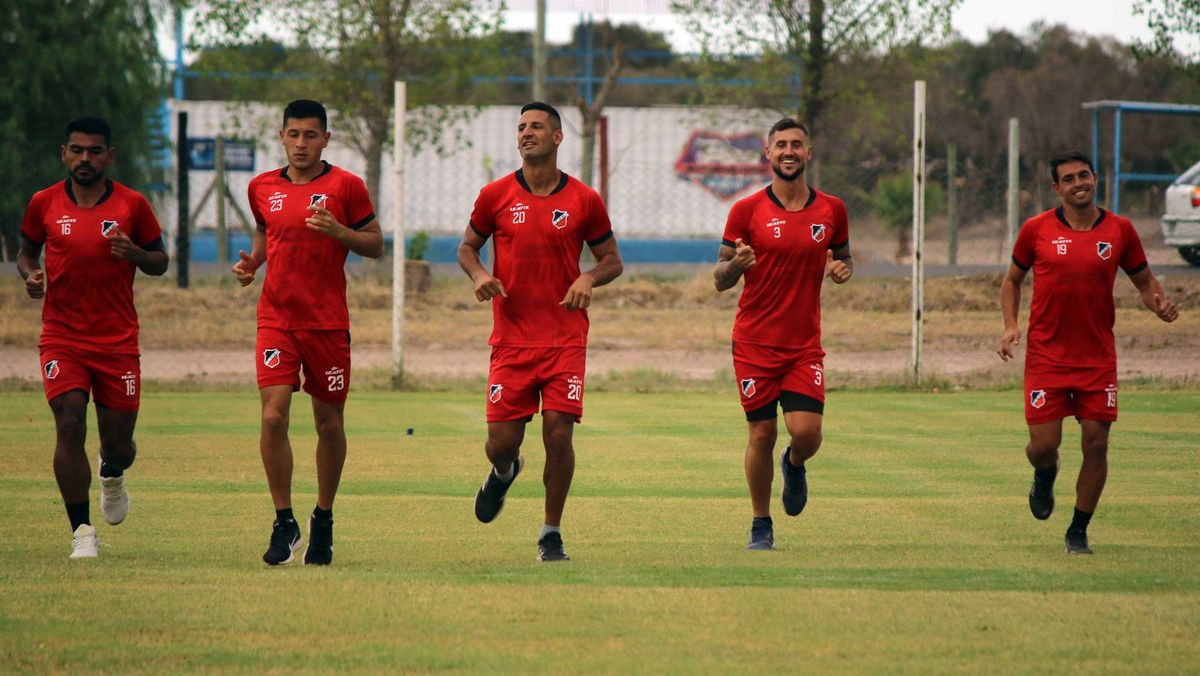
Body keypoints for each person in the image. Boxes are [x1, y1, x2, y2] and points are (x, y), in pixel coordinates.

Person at [457, 102, 623, 562]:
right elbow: (467, 248)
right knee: (500, 444)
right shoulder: (495, 195)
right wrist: (478, 276)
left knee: (558, 434)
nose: (527, 133)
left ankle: (551, 532)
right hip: (511, 341)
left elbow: (612, 260)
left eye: (537, 127)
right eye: (522, 127)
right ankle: (504, 473)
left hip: (565, 339)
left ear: (557, 138)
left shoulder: (584, 200)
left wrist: (587, 278)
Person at [998, 150, 1178, 555]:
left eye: (1085, 175)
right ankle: (1044, 475)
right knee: (1043, 446)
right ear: (1056, 188)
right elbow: (1012, 281)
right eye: (1070, 178)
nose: (1079, 183)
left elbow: (1145, 282)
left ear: (1095, 179)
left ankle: (1078, 530)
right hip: (1046, 358)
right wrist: (1011, 327)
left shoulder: (1121, 230)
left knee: (1096, 443)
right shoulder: (1036, 230)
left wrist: (1159, 303)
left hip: (1097, 359)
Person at [232, 99, 383, 566]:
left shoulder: (346, 187)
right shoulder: (261, 187)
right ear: (281, 136)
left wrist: (339, 230)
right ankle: (284, 521)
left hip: (327, 324)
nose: (301, 143)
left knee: (328, 424)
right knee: (273, 418)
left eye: (310, 135)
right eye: (293, 134)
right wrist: (253, 263)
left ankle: (324, 518)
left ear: (325, 139)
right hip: (277, 320)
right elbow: (265, 231)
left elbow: (375, 244)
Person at [17, 116, 170, 559]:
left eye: (94, 150)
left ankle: (113, 471)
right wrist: (32, 275)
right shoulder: (43, 203)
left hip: (117, 341)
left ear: (110, 156)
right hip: (62, 336)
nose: (85, 158)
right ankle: (82, 531)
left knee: (119, 445)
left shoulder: (132, 205)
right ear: (64, 153)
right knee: (68, 421)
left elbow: (160, 260)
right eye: (77, 150)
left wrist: (136, 253)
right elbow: (27, 252)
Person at [712, 118, 853, 551]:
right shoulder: (746, 211)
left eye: (797, 145)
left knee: (807, 433)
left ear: (808, 153)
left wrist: (841, 270)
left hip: (803, 346)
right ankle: (760, 523)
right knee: (761, 434)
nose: (789, 151)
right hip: (754, 342)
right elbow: (719, 278)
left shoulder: (832, 209)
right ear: (768, 155)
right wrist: (737, 264)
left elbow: (842, 258)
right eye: (781, 145)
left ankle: (794, 465)